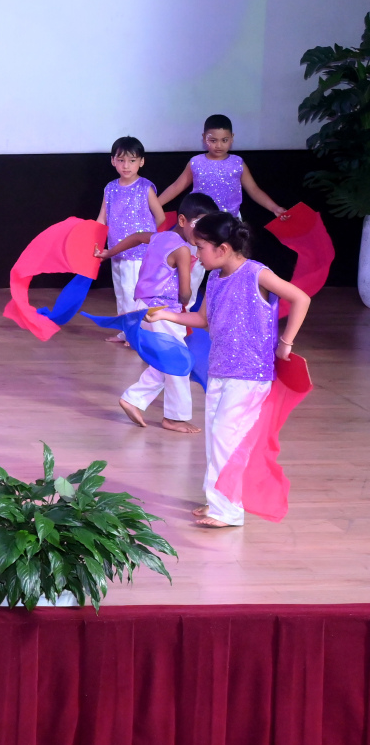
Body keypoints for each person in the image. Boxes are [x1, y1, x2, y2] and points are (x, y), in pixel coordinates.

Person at [148, 213, 309, 528]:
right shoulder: (215, 279)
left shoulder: (256, 273)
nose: (196, 255)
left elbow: (300, 298)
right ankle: (217, 501)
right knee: (216, 437)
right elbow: (202, 319)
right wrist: (165, 315)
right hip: (220, 370)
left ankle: (229, 510)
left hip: (250, 375)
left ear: (222, 249)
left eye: (200, 247)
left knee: (226, 436)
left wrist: (286, 343)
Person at [112, 193, 218, 433]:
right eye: (199, 225)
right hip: (162, 311)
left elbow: (137, 236)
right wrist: (187, 303)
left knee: (167, 360)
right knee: (179, 361)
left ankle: (134, 399)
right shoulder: (183, 251)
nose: (203, 233)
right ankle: (174, 417)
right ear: (182, 220)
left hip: (142, 307)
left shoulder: (160, 237)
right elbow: (184, 293)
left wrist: (109, 253)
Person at [154, 114, 286, 220]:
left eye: (224, 140)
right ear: (204, 138)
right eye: (213, 140)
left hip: (230, 221)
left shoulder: (237, 163)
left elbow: (254, 190)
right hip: (200, 221)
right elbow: (176, 187)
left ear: (232, 138)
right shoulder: (196, 162)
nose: (219, 145)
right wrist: (154, 206)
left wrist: (274, 208)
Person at [96, 136, 164, 336]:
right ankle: (125, 332)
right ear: (113, 161)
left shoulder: (145, 187)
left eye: (132, 160)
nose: (126, 165)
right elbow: (102, 218)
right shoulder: (110, 188)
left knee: (132, 292)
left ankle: (135, 333)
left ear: (141, 162)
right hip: (116, 251)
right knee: (121, 292)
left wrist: (147, 239)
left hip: (138, 253)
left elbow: (160, 217)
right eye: (121, 160)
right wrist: (95, 242)